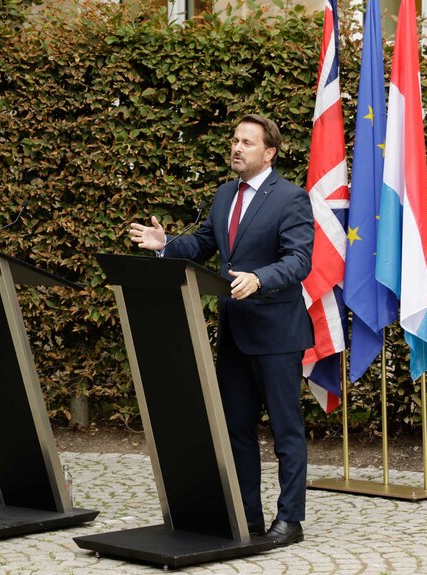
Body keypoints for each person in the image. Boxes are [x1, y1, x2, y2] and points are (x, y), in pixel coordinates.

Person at [128, 114, 314, 547]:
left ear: (269, 152)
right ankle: (248, 517)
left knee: (287, 430)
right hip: (234, 332)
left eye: (247, 142)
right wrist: (167, 245)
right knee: (236, 429)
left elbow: (299, 259)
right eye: (234, 140)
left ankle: (290, 520)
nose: (236, 148)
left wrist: (261, 278)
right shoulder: (224, 195)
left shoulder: (291, 198)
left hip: (277, 334)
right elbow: (204, 244)